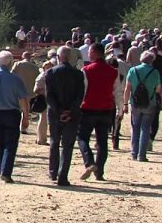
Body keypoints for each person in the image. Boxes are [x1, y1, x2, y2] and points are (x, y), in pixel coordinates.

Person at [0, 51, 30, 183]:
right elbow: (23, 99)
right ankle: (6, 171)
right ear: (10, 63)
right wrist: (26, 117)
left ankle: (1, 168)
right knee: (10, 144)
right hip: (11, 113)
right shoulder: (16, 79)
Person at [77, 43, 120, 181]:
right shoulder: (113, 71)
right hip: (106, 109)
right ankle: (99, 172)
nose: (88, 54)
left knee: (82, 137)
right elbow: (117, 92)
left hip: (88, 109)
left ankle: (89, 162)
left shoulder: (86, 70)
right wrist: (120, 109)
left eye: (90, 51)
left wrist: (78, 106)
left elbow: (83, 91)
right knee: (102, 142)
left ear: (94, 52)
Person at [46, 46, 85, 186]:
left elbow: (49, 95)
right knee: (67, 145)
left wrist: (59, 110)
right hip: (72, 115)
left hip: (55, 113)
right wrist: (70, 111)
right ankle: (62, 176)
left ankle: (53, 171)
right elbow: (80, 95)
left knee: (54, 142)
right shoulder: (78, 74)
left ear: (58, 57)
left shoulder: (50, 72)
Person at [123, 51, 162, 161]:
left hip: (135, 103)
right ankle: (142, 155)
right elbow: (158, 89)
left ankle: (134, 153)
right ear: (152, 60)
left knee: (135, 127)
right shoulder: (155, 72)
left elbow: (127, 88)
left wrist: (125, 103)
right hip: (150, 103)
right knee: (145, 129)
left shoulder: (133, 70)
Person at [11, 52, 40, 134]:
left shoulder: (17, 64)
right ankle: (23, 128)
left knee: (16, 109)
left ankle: (15, 126)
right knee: (25, 111)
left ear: (22, 56)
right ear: (30, 57)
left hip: (17, 90)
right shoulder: (35, 67)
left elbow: (11, 75)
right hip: (29, 92)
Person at [34, 60, 55, 145]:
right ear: (44, 68)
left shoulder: (50, 76)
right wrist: (45, 91)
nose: (49, 68)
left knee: (44, 120)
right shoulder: (42, 76)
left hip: (49, 99)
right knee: (43, 120)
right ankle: (41, 139)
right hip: (44, 99)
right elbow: (36, 90)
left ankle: (40, 138)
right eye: (47, 67)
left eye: (51, 66)